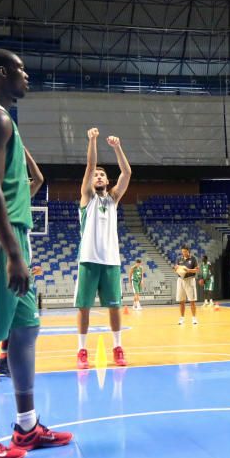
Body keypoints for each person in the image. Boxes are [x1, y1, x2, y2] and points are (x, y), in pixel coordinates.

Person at [0, 47, 71, 458]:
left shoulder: (4, 123)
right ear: (1, 72)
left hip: (8, 233)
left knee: (25, 330)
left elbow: (25, 179)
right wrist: (12, 253)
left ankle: (26, 425)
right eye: (21, 70)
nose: (28, 76)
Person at [74, 127, 132, 369]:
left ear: (108, 182)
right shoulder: (87, 196)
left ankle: (118, 347)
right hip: (88, 259)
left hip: (110, 261)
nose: (98, 176)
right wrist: (93, 140)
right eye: (96, 174)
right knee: (84, 308)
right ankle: (82, 351)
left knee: (115, 307)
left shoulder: (113, 198)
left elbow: (127, 172)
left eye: (101, 175)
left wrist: (117, 147)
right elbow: (89, 166)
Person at [175, 246, 199, 325]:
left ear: (188, 251)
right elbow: (176, 269)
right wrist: (176, 268)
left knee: (192, 300)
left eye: (185, 251)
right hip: (180, 280)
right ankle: (182, 318)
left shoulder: (193, 259)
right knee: (181, 301)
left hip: (190, 280)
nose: (184, 253)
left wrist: (189, 270)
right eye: (183, 251)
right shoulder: (179, 259)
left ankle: (194, 318)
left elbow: (197, 270)